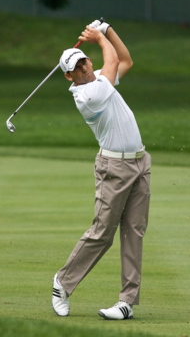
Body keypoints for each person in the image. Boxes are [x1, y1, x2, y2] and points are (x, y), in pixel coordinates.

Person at [52, 19, 151, 320]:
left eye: (84, 61)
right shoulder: (88, 95)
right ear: (69, 76)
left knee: (134, 232)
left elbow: (125, 60)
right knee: (102, 233)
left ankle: (127, 302)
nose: (84, 66)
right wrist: (98, 37)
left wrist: (108, 31)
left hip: (139, 162)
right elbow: (111, 61)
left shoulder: (97, 80)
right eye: (78, 66)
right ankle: (62, 283)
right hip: (114, 167)